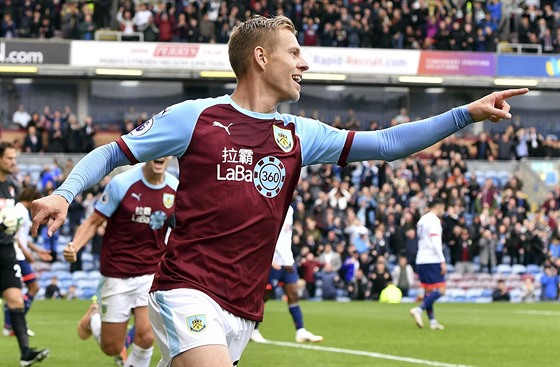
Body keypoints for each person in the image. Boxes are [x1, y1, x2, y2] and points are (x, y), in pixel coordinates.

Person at [30, 15, 529, 367]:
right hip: (187, 289)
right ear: (260, 56)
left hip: (245, 305)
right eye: (294, 52)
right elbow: (115, 151)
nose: (303, 64)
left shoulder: (299, 133)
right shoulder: (197, 117)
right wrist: (64, 194)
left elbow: (389, 143)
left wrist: (467, 113)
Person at [63, 158, 178, 367]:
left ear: (171, 156)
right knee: (112, 347)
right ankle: (93, 320)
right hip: (116, 272)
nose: (161, 156)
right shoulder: (122, 184)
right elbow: (93, 222)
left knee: (146, 336)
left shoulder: (175, 188)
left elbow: (183, 230)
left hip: (151, 272)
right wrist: (75, 246)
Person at [0, 141, 49, 366]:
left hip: (7, 251)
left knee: (16, 301)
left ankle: (25, 353)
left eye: (15, 158)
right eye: (10, 158)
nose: (14, 162)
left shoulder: (11, 185)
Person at [250, 205, 323, 344]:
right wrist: (269, 258)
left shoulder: (290, 209)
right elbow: (265, 234)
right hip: (274, 262)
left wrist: (289, 258)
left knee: (294, 295)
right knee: (264, 296)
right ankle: (253, 330)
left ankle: (300, 331)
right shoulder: (272, 206)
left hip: (288, 261)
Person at [3, 187, 52, 337]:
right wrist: (27, 253)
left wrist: (37, 250)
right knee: (32, 287)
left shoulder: (22, 211)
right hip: (16, 255)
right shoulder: (19, 211)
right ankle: (15, 324)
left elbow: (23, 237)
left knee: (19, 291)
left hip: (19, 255)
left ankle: (11, 325)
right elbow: (14, 236)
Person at [409, 198, 447, 330]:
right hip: (431, 258)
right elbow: (435, 241)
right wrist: (442, 260)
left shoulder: (422, 220)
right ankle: (419, 309)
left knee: (428, 291)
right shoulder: (434, 220)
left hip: (421, 259)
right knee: (441, 290)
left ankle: (432, 321)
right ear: (439, 205)